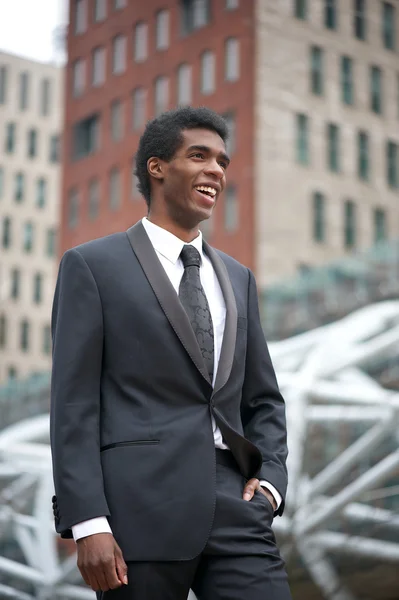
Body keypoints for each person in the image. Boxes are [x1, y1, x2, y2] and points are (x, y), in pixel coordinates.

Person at [50, 106, 291, 600]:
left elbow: (263, 398)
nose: (216, 171)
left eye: (222, 161)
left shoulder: (239, 278)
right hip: (136, 511)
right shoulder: (92, 266)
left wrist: (270, 484)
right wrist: (87, 521)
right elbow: (73, 404)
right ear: (157, 167)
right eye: (198, 156)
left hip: (237, 506)